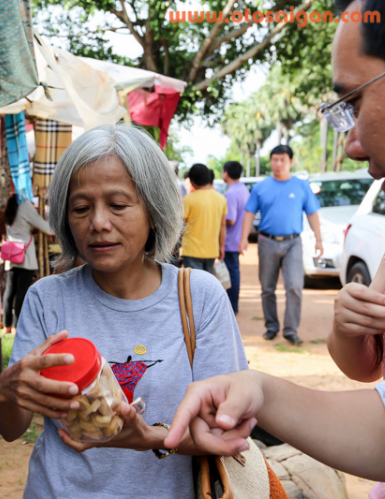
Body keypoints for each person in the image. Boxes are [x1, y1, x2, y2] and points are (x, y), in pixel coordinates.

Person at [165, 0, 385, 484]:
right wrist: (258, 389)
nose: (349, 143)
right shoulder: (257, 190)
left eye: (353, 102)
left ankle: (284, 329)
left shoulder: (291, 188)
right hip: (259, 244)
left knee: (291, 292)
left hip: (279, 244)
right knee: (268, 291)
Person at [0, 125, 248, 498]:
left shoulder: (199, 297)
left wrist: (149, 437)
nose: (98, 222)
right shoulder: (47, 298)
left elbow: (227, 428)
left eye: (118, 205)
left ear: (155, 212)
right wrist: (7, 391)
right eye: (81, 208)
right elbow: (12, 428)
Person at [239, 145, 323, 345]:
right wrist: (243, 239)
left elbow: (312, 213)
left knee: (294, 286)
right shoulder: (261, 187)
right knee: (267, 287)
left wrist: (319, 239)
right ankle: (271, 326)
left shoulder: (302, 186)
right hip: (267, 241)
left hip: (293, 242)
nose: (278, 164)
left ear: (291, 162)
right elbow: (249, 213)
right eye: (274, 160)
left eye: (282, 160)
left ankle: (290, 329)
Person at [1, 194, 53, 335]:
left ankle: (6, 326)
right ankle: (17, 327)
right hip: (25, 257)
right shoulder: (25, 208)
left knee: (9, 292)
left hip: (11, 256)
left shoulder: (10, 208)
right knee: (22, 293)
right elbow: (47, 229)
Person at [181, 163, 227, 274]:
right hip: (212, 250)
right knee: (207, 285)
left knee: (194, 286)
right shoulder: (221, 199)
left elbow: (180, 223)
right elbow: (223, 225)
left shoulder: (188, 199)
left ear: (191, 181)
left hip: (191, 250)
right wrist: (221, 246)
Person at [221, 161, 250, 314]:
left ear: (226, 173)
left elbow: (230, 219)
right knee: (234, 271)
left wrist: (217, 218)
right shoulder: (243, 189)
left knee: (232, 272)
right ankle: (233, 305)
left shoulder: (232, 193)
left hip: (230, 240)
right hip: (238, 238)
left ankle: (232, 306)